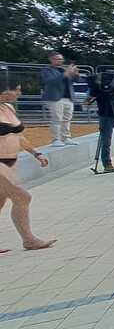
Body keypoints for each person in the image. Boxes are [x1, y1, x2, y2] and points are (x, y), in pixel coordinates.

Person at [0, 81, 56, 253]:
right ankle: (29, 240)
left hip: (11, 160)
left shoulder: (8, 108)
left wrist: (36, 153)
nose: (19, 93)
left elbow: (19, 136)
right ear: (4, 91)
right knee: (22, 197)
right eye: (16, 90)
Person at [40, 52, 78, 147]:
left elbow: (76, 80)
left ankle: (66, 137)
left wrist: (75, 74)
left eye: (61, 59)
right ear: (51, 59)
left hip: (68, 98)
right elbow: (51, 81)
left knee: (67, 119)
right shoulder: (47, 70)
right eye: (57, 59)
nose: (60, 61)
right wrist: (65, 74)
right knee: (56, 119)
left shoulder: (64, 69)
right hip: (55, 98)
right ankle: (56, 139)